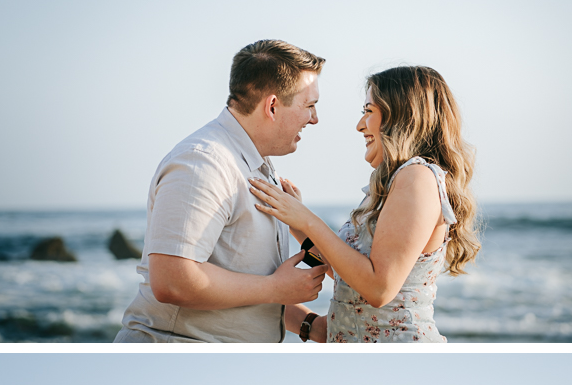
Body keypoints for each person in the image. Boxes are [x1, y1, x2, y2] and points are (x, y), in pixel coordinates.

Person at [114, 40, 330, 344]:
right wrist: (274, 288)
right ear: (272, 106)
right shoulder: (202, 163)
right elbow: (173, 281)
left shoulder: (255, 164)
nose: (315, 118)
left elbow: (240, 283)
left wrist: (309, 324)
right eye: (309, 105)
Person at [249, 65, 482, 342]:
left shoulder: (416, 177)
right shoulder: (392, 182)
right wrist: (297, 226)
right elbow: (348, 275)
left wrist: (306, 219)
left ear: (401, 116)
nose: (360, 125)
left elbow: (379, 289)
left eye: (368, 112)